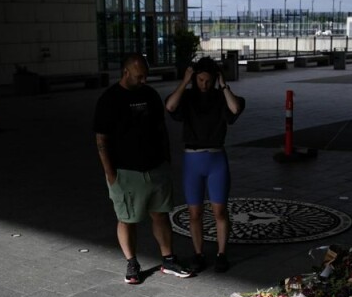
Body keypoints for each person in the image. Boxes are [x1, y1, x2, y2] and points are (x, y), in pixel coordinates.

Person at [94, 53, 194, 284]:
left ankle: (168, 259)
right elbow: (101, 139)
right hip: (126, 171)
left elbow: (160, 128)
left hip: (156, 167)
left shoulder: (150, 94)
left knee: (160, 214)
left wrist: (166, 159)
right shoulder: (109, 99)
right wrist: (110, 173)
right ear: (126, 72)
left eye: (146, 76)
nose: (144, 81)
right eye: (139, 76)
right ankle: (132, 262)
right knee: (127, 218)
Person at [164, 57, 245, 273]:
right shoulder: (188, 97)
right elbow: (170, 106)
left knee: (219, 211)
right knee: (195, 213)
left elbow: (235, 109)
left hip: (216, 158)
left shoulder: (221, 97)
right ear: (194, 79)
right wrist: (184, 81)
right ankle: (198, 253)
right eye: (200, 80)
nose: (204, 84)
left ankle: (221, 253)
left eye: (208, 80)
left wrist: (223, 84)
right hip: (193, 159)